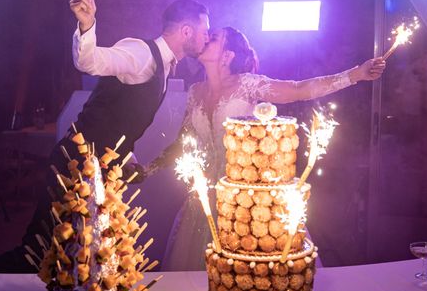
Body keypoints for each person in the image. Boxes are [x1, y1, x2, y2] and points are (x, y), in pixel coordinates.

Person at [0, 0, 209, 273]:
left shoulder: (165, 65)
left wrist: (127, 158)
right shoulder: (140, 53)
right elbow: (90, 61)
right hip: (74, 166)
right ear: (186, 31)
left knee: (80, 252)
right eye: (204, 30)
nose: (207, 37)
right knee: (38, 250)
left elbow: (120, 118)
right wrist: (88, 24)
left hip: (98, 169)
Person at [146, 26, 386, 271]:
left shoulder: (248, 85)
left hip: (247, 197)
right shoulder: (195, 91)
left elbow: (298, 89)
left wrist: (356, 74)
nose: (205, 38)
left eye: (214, 38)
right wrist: (149, 168)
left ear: (227, 55)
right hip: (204, 198)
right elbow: (182, 140)